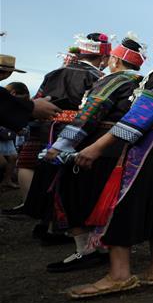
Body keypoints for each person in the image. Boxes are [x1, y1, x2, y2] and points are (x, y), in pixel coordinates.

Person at [67, 19, 153, 298]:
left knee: (126, 201)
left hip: (152, 145)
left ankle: (120, 274)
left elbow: (141, 115)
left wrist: (97, 147)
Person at [41, 36, 147, 273]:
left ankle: (86, 251)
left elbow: (91, 111)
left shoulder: (114, 80)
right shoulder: (143, 83)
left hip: (95, 146)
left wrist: (61, 144)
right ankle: (101, 247)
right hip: (124, 148)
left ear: (115, 60)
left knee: (76, 195)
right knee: (105, 198)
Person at [18, 35, 110, 235]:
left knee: (47, 173)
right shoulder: (99, 78)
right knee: (70, 179)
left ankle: (45, 221)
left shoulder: (54, 73)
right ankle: (63, 227)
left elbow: (38, 100)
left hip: (49, 127)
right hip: (79, 131)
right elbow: (95, 109)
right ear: (103, 57)